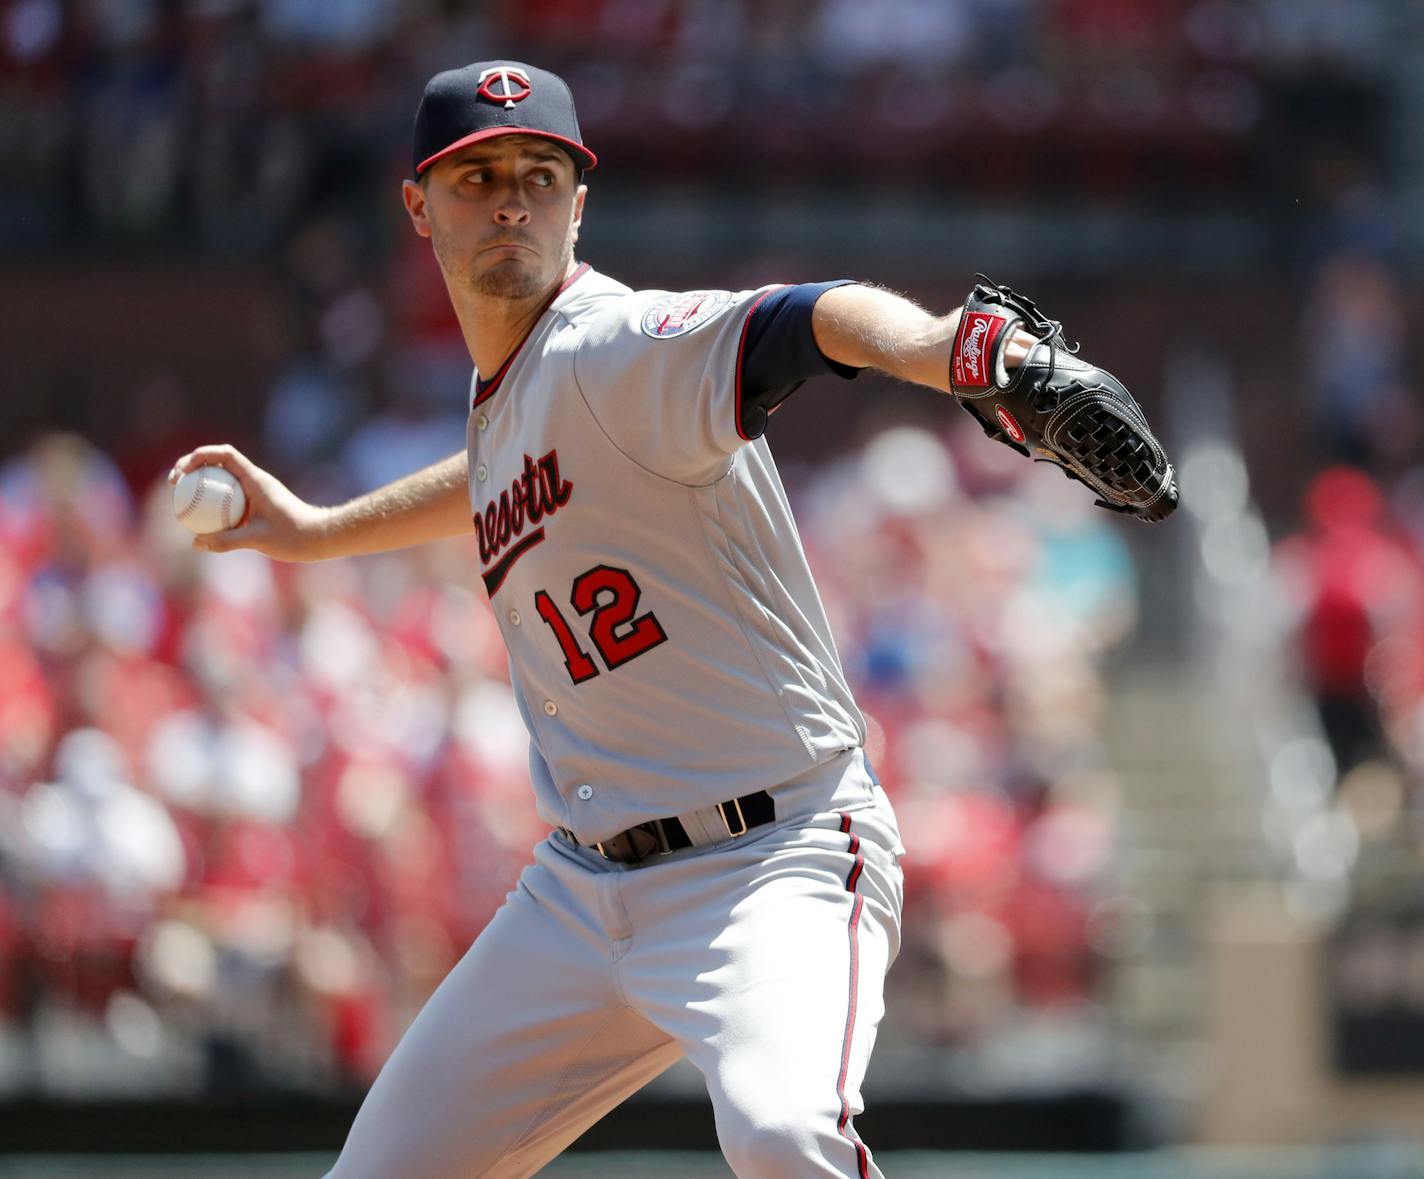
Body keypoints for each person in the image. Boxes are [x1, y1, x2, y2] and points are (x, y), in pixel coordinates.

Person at [169, 61, 1083, 1179]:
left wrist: (948, 350)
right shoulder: (518, 387)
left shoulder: (617, 343)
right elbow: (496, 471)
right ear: (417, 206)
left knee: (783, 1135)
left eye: (539, 175)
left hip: (769, 860)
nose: (512, 199)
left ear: (577, 204)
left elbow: (804, 321)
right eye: (478, 177)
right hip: (580, 891)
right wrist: (317, 532)